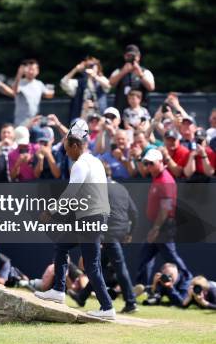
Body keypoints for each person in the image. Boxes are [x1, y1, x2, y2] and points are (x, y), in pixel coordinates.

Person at [35, 119, 115, 320]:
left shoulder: (80, 165)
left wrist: (50, 212)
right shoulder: (95, 161)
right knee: (62, 245)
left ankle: (107, 308)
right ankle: (59, 291)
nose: (66, 153)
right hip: (94, 217)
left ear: (76, 145)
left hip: (90, 218)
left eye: (67, 149)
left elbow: (70, 194)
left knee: (91, 265)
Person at [69, 163, 139, 313]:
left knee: (119, 268)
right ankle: (82, 297)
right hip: (119, 233)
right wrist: (129, 233)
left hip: (108, 234)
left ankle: (131, 302)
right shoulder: (121, 188)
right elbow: (134, 213)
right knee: (99, 266)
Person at [133, 149, 192, 292]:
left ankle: (188, 283)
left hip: (164, 227)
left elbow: (165, 208)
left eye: (151, 164)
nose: (148, 167)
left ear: (161, 162)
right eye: (147, 164)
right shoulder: (157, 176)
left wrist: (155, 229)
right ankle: (143, 289)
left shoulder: (165, 180)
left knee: (171, 258)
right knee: (145, 257)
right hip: (157, 225)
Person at [60, 57, 110, 122]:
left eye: (92, 65)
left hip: (99, 120)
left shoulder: (101, 80)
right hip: (82, 120)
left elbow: (108, 86)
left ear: (98, 67)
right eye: (87, 66)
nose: (89, 68)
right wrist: (76, 69)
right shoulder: (79, 83)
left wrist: (95, 76)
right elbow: (63, 83)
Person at [109, 44, 155, 114]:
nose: (131, 58)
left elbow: (151, 87)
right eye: (129, 56)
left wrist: (140, 75)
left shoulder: (145, 72)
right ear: (125, 56)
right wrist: (123, 72)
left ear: (138, 57)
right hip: (121, 110)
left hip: (140, 112)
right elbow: (111, 83)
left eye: (133, 56)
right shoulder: (119, 71)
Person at [12, 59, 54, 126]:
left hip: (35, 122)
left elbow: (49, 95)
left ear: (37, 71)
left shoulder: (39, 84)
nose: (31, 71)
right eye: (29, 69)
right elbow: (14, 91)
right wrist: (19, 74)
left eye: (33, 69)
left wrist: (52, 91)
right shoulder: (19, 83)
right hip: (21, 122)